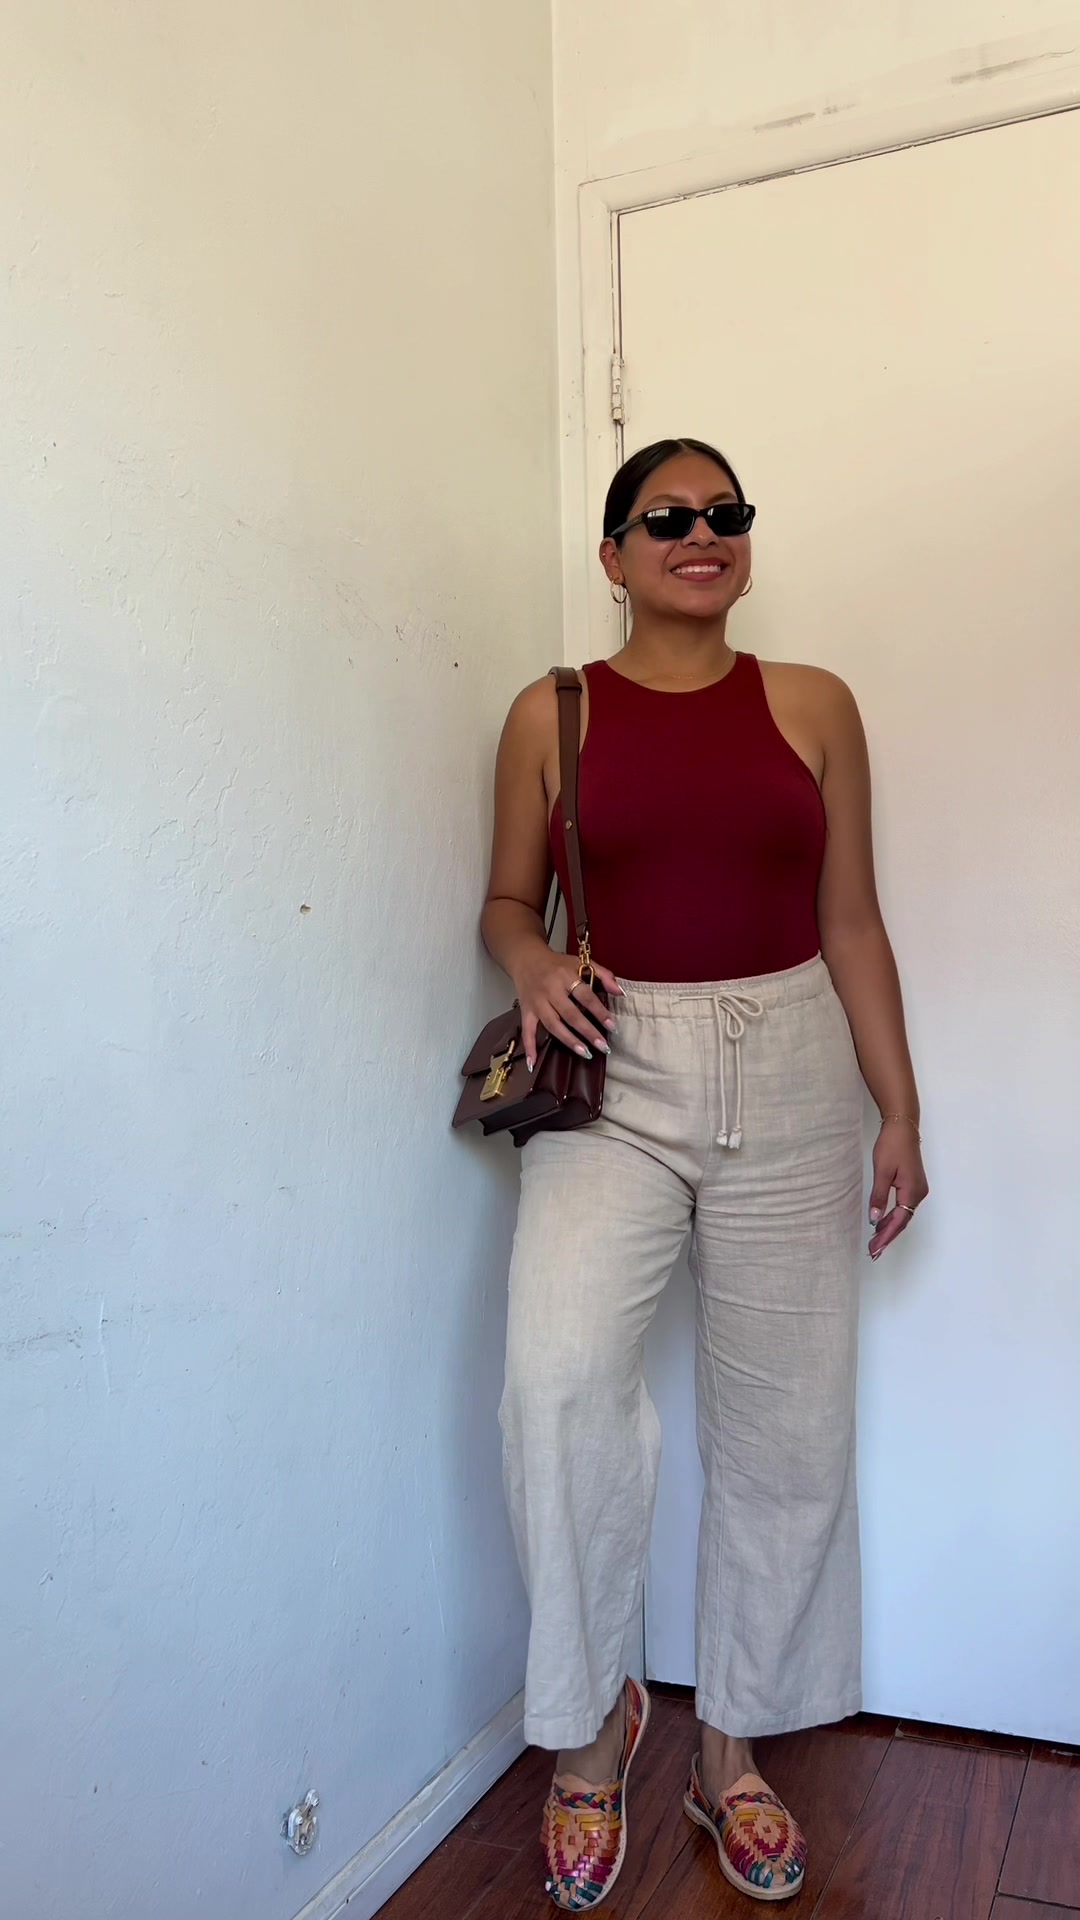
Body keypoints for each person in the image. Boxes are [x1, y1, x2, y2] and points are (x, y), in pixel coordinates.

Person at [480, 437, 928, 1911]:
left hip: (791, 1062)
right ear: (613, 554)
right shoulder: (551, 712)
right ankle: (592, 1728)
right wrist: (532, 958)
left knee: (788, 1423)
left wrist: (898, 1110)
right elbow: (506, 899)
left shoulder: (813, 704)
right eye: (667, 515)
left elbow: (851, 921)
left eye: (725, 513)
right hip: (612, 1061)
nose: (702, 532)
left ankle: (728, 1749)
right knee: (556, 1383)